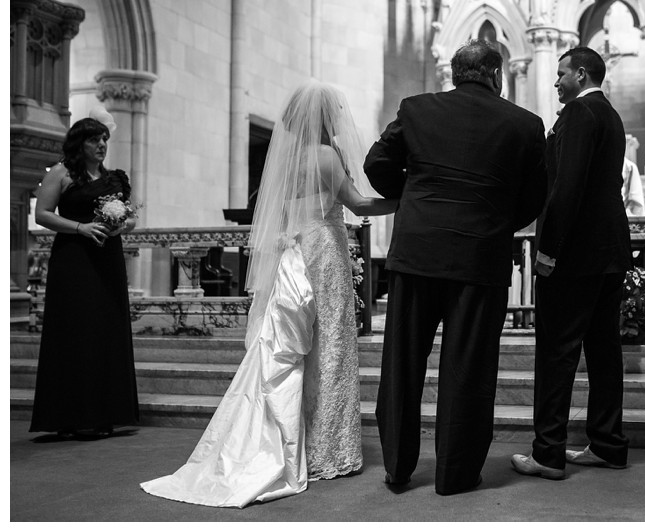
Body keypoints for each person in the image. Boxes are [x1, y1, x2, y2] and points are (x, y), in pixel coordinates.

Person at [141, 82, 397, 507]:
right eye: (332, 112)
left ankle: (291, 437)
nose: (337, 118)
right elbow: (359, 206)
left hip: (293, 258)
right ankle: (327, 448)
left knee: (291, 353)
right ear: (321, 118)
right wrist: (407, 198)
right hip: (325, 258)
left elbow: (279, 216)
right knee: (331, 351)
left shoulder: (287, 162)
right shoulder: (327, 156)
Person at [364, 39, 547, 495]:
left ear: (455, 71)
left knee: (403, 364)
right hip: (479, 259)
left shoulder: (417, 109)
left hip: (417, 253)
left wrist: (414, 198)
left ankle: (398, 468)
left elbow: (376, 164)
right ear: (495, 74)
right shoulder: (524, 124)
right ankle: (455, 474)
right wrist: (498, 220)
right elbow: (536, 195)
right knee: (468, 369)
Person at [512, 46, 631, 480]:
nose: (556, 81)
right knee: (603, 352)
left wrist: (548, 250)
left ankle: (547, 453)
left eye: (561, 74)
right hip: (608, 252)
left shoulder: (580, 115)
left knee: (557, 351)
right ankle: (607, 444)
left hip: (575, 256)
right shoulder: (610, 115)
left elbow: (567, 187)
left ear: (581, 74)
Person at [30, 112, 139, 440]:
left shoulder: (116, 178)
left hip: (108, 258)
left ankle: (105, 414)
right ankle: (67, 416)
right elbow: (42, 214)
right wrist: (80, 227)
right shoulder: (62, 173)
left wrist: (123, 224)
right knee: (72, 331)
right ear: (80, 143)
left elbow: (130, 217)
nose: (102, 145)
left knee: (107, 329)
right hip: (73, 260)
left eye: (105, 139)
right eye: (95, 139)